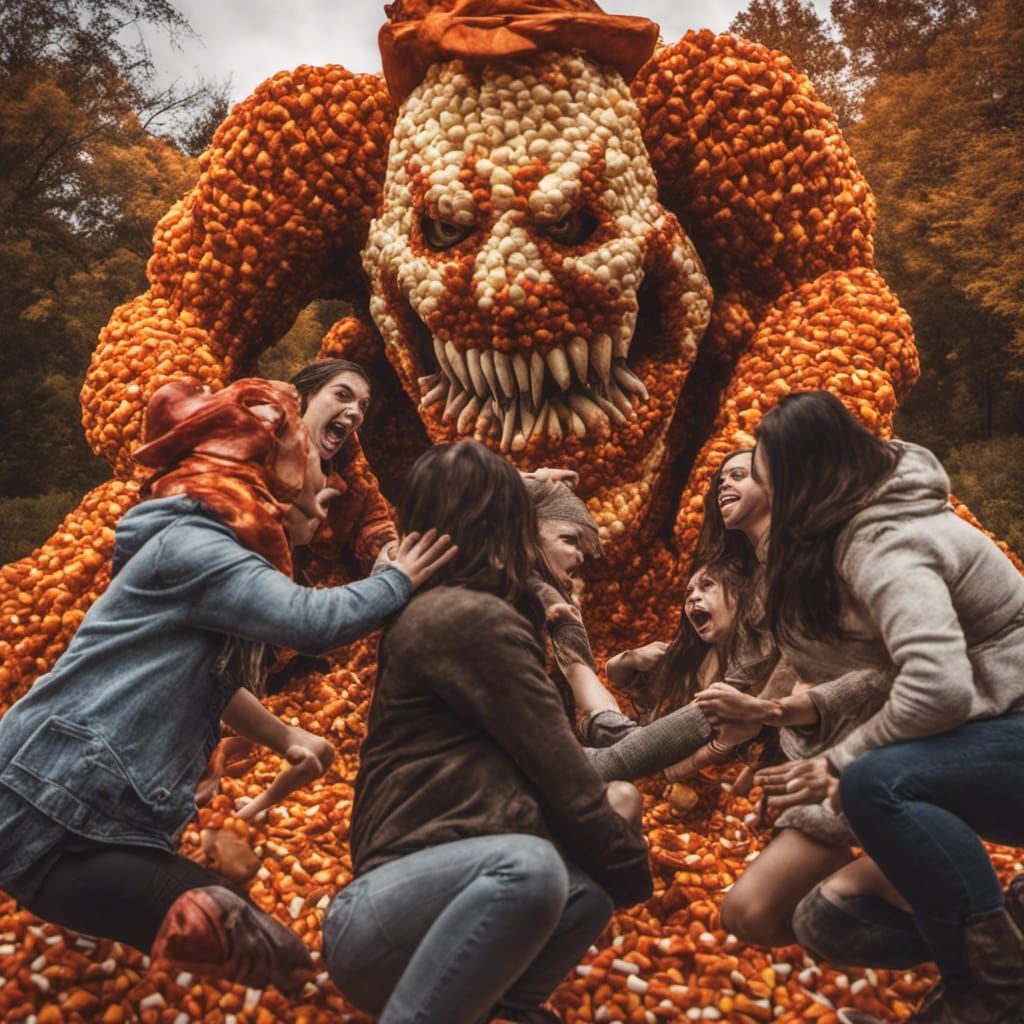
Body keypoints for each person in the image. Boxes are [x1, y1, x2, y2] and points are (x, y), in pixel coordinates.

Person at [0, 378, 454, 994]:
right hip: (58, 791)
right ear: (272, 488)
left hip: (95, 809)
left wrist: (284, 734)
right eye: (316, 498)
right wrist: (396, 580)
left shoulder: (206, 552)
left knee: (245, 937)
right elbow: (310, 622)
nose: (323, 517)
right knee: (235, 934)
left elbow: (217, 684)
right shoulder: (197, 546)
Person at [322, 440, 653, 1024]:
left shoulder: (461, 607)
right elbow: (565, 775)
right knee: (529, 871)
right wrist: (632, 870)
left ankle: (507, 1009)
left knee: (583, 901)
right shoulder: (467, 619)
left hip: (433, 905)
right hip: (396, 912)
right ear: (508, 528)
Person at [746, 389, 1024, 1024]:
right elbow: (882, 679)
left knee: (873, 781)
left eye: (768, 483)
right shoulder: (856, 530)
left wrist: (841, 760)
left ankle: (993, 993)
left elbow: (938, 685)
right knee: (828, 920)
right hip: (998, 726)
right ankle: (989, 968)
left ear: (801, 482)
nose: (767, 501)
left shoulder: (887, 544)